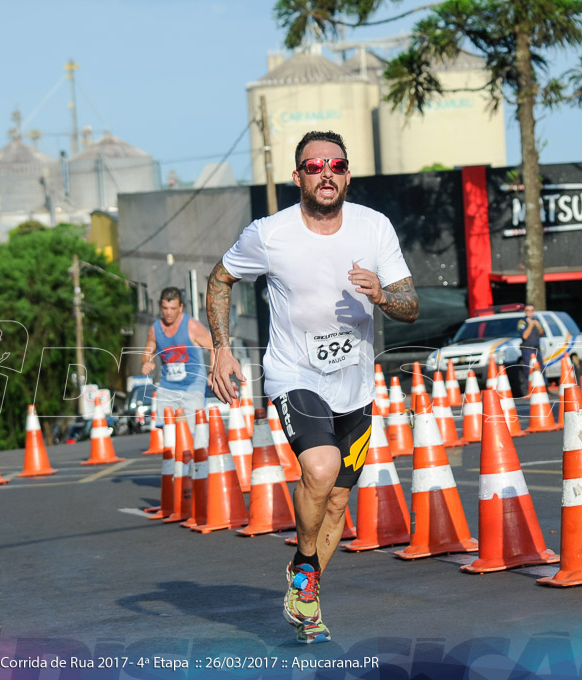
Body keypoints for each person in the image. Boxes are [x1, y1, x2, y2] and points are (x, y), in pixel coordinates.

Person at [206, 130, 417, 644]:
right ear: (298, 176)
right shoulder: (270, 234)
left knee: (339, 503)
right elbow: (220, 279)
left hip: (355, 383)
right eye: (315, 164)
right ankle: (303, 566)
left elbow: (410, 305)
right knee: (319, 469)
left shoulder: (375, 227)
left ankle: (307, 593)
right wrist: (221, 347)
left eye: (337, 164)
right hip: (294, 373)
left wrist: (383, 298)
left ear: (347, 175)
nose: (327, 172)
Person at [141, 287, 213, 424]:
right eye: (165, 308)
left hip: (193, 386)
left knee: (194, 432)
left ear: (180, 307)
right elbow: (147, 353)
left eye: (173, 308)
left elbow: (214, 348)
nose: (168, 313)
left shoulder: (192, 326)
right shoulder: (155, 329)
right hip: (167, 387)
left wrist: (212, 372)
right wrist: (146, 362)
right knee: (167, 432)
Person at [517, 303, 544, 397]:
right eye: (528, 310)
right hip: (527, 349)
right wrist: (531, 325)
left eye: (532, 310)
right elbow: (524, 336)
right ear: (525, 311)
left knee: (540, 369)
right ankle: (527, 392)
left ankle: (544, 390)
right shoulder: (522, 322)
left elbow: (541, 333)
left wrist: (538, 325)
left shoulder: (536, 320)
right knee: (527, 371)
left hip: (536, 349)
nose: (530, 312)